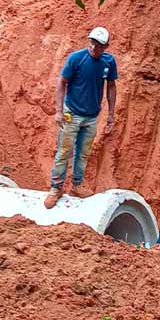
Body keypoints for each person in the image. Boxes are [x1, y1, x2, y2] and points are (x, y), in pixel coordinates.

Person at [44, 26, 119, 209]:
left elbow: (111, 87)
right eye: (92, 43)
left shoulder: (108, 62)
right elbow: (62, 81)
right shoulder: (76, 59)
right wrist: (59, 111)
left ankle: (76, 185)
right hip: (72, 113)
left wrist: (110, 114)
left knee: (83, 153)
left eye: (99, 45)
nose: (94, 48)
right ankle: (56, 188)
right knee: (64, 151)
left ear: (106, 46)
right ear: (89, 41)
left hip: (91, 117)